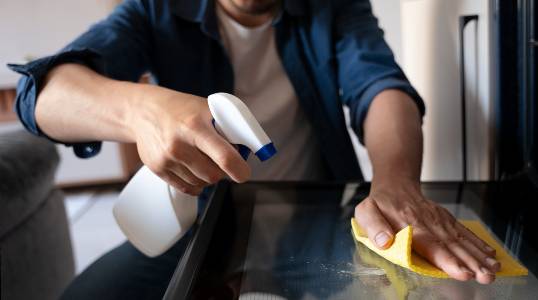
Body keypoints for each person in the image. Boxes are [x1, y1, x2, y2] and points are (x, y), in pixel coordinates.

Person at [9, 0, 500, 298]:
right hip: (195, 226)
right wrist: (142, 109)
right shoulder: (154, 11)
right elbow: (43, 95)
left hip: (321, 223)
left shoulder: (334, 8)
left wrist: (396, 185)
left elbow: (381, 87)